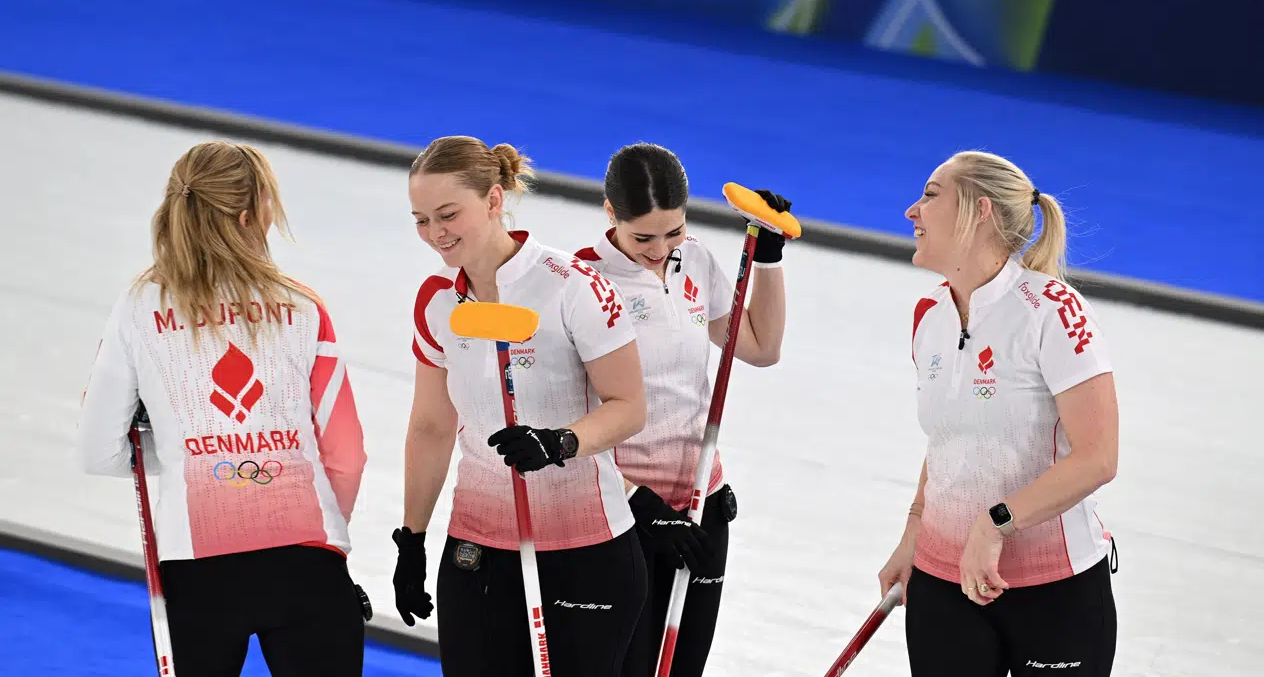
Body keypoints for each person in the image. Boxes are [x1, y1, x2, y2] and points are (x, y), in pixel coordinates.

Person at [76, 141, 369, 677]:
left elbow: (99, 452)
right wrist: (329, 543)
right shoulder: (303, 306)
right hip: (306, 556)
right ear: (247, 213)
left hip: (196, 566)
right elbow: (346, 454)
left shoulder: (139, 306)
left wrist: (188, 452)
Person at [393, 135, 650, 676]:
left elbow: (628, 406)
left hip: (584, 550)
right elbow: (431, 427)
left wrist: (559, 443)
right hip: (477, 545)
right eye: (421, 220)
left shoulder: (573, 286)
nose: (436, 234)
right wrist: (412, 539)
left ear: (492, 201)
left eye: (448, 214)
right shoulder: (437, 299)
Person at [878, 150, 1120, 677]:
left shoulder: (1055, 311)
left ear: (979, 211)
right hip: (944, 581)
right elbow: (949, 441)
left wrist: (995, 525)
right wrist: (914, 534)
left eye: (931, 194)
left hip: (1054, 591)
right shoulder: (929, 316)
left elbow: (1098, 458)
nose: (911, 211)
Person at [575, 143, 791, 677]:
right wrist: (635, 500)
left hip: (699, 502)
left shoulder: (693, 260)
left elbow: (760, 346)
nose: (659, 249)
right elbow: (567, 417)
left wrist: (768, 260)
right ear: (610, 213)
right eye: (642, 236)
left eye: (672, 231)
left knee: (682, 667)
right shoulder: (581, 282)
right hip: (623, 511)